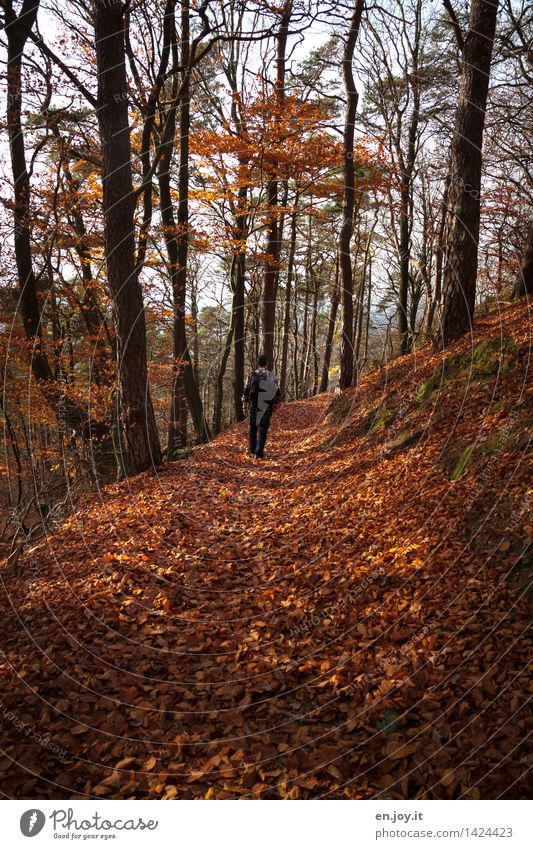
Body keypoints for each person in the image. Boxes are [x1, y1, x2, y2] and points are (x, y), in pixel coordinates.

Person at [242, 354, 282, 459]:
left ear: (258, 363)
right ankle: (258, 453)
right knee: (263, 430)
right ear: (266, 363)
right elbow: (277, 392)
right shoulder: (271, 376)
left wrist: (244, 405)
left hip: (253, 406)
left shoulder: (251, 375)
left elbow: (246, 391)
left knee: (253, 429)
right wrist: (276, 404)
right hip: (266, 407)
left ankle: (251, 451)